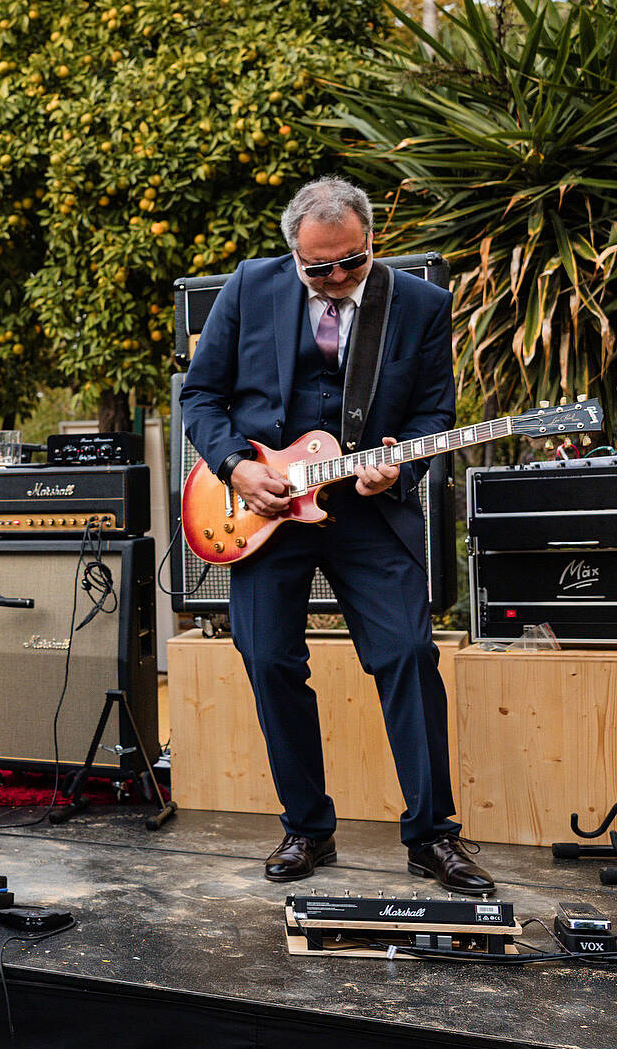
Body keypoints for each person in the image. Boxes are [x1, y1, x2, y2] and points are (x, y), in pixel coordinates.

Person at [180, 175, 491, 894]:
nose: (339, 277)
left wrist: (400, 467)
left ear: (371, 241)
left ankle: (433, 837)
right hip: (265, 509)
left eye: (353, 260)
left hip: (367, 512)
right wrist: (234, 467)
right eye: (319, 268)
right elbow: (201, 395)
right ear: (294, 251)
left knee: (408, 653)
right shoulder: (249, 286)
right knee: (267, 658)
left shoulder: (420, 305)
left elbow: (434, 415)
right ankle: (307, 828)